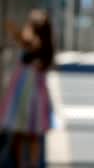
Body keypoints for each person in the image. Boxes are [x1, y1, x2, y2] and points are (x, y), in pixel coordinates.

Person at [0, 10, 54, 168]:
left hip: (25, 98)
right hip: (36, 98)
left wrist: (14, 29)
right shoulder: (46, 48)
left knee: (21, 133)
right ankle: (33, 163)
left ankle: (25, 163)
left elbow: (24, 39)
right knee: (33, 136)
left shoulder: (35, 44)